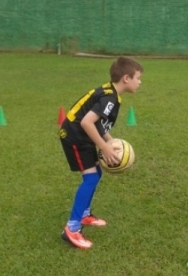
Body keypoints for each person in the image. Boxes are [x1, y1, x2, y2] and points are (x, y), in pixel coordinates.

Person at [59, 56, 143, 249]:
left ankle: (84, 215)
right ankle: (72, 228)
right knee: (90, 177)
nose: (140, 82)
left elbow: (98, 123)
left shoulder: (111, 92)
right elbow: (86, 122)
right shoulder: (109, 98)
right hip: (75, 136)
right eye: (138, 78)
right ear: (126, 78)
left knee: (96, 173)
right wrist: (104, 147)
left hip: (83, 135)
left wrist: (110, 141)